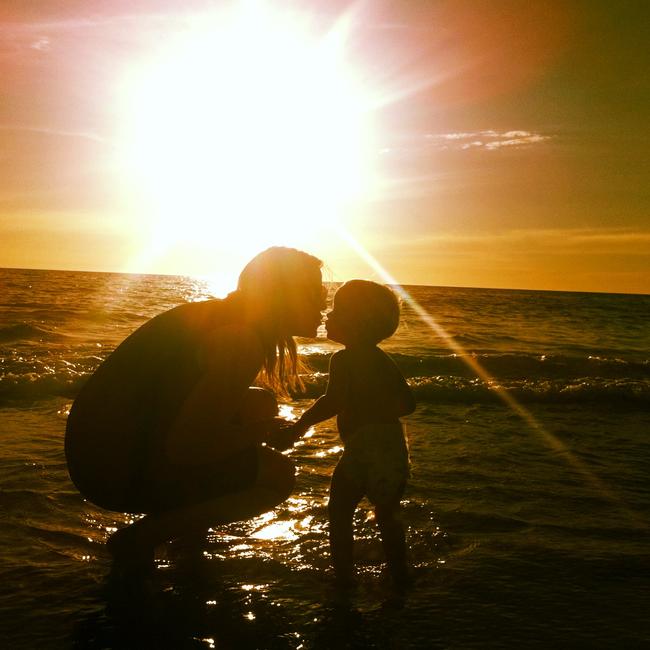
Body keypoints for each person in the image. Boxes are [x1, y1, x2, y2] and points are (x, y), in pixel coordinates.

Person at [65, 247, 326, 572]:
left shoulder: (226, 316)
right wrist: (264, 431)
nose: (324, 302)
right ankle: (141, 538)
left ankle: (190, 538)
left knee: (259, 403)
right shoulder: (240, 339)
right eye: (315, 292)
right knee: (280, 475)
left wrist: (254, 426)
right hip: (110, 470)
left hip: (101, 448)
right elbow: (187, 447)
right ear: (284, 295)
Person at [287, 280, 416, 589]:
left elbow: (333, 401)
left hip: (363, 447)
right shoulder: (383, 360)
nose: (328, 316)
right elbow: (408, 403)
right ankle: (400, 574)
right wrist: (376, 403)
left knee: (340, 509)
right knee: (388, 513)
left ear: (357, 322)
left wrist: (299, 425)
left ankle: (345, 576)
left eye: (337, 310)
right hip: (393, 446)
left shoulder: (344, 359)